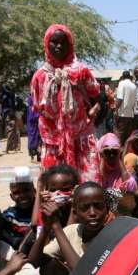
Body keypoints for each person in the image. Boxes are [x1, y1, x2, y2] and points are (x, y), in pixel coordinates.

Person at [31, 24, 100, 179]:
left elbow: (97, 97)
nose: (59, 46)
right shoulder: (40, 77)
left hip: (82, 142)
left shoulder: (81, 71)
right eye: (54, 42)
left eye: (64, 42)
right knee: (56, 192)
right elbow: (37, 109)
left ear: (70, 45)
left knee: (87, 189)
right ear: (47, 44)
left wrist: (92, 114)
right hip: (54, 145)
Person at [29, 182, 109, 275]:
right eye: (85, 208)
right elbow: (33, 262)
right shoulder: (72, 231)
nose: (92, 213)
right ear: (75, 212)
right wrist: (46, 228)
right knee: (49, 265)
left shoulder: (112, 236)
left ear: (107, 209)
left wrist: (56, 226)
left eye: (98, 206)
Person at [0, 167, 35, 249]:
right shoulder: (10, 215)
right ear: (12, 197)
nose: (22, 195)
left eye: (26, 190)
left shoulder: (42, 209)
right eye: (17, 192)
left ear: (34, 191)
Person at [115, 71, 137, 146]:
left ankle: (120, 154)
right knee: (127, 135)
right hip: (130, 114)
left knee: (120, 134)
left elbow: (120, 98)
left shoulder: (122, 83)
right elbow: (134, 101)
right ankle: (126, 151)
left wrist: (115, 110)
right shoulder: (134, 86)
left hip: (122, 113)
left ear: (123, 77)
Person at [26, 94, 41, 161]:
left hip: (31, 127)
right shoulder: (32, 108)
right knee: (36, 141)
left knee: (32, 140)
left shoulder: (29, 107)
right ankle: (36, 156)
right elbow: (34, 117)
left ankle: (34, 156)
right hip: (34, 127)